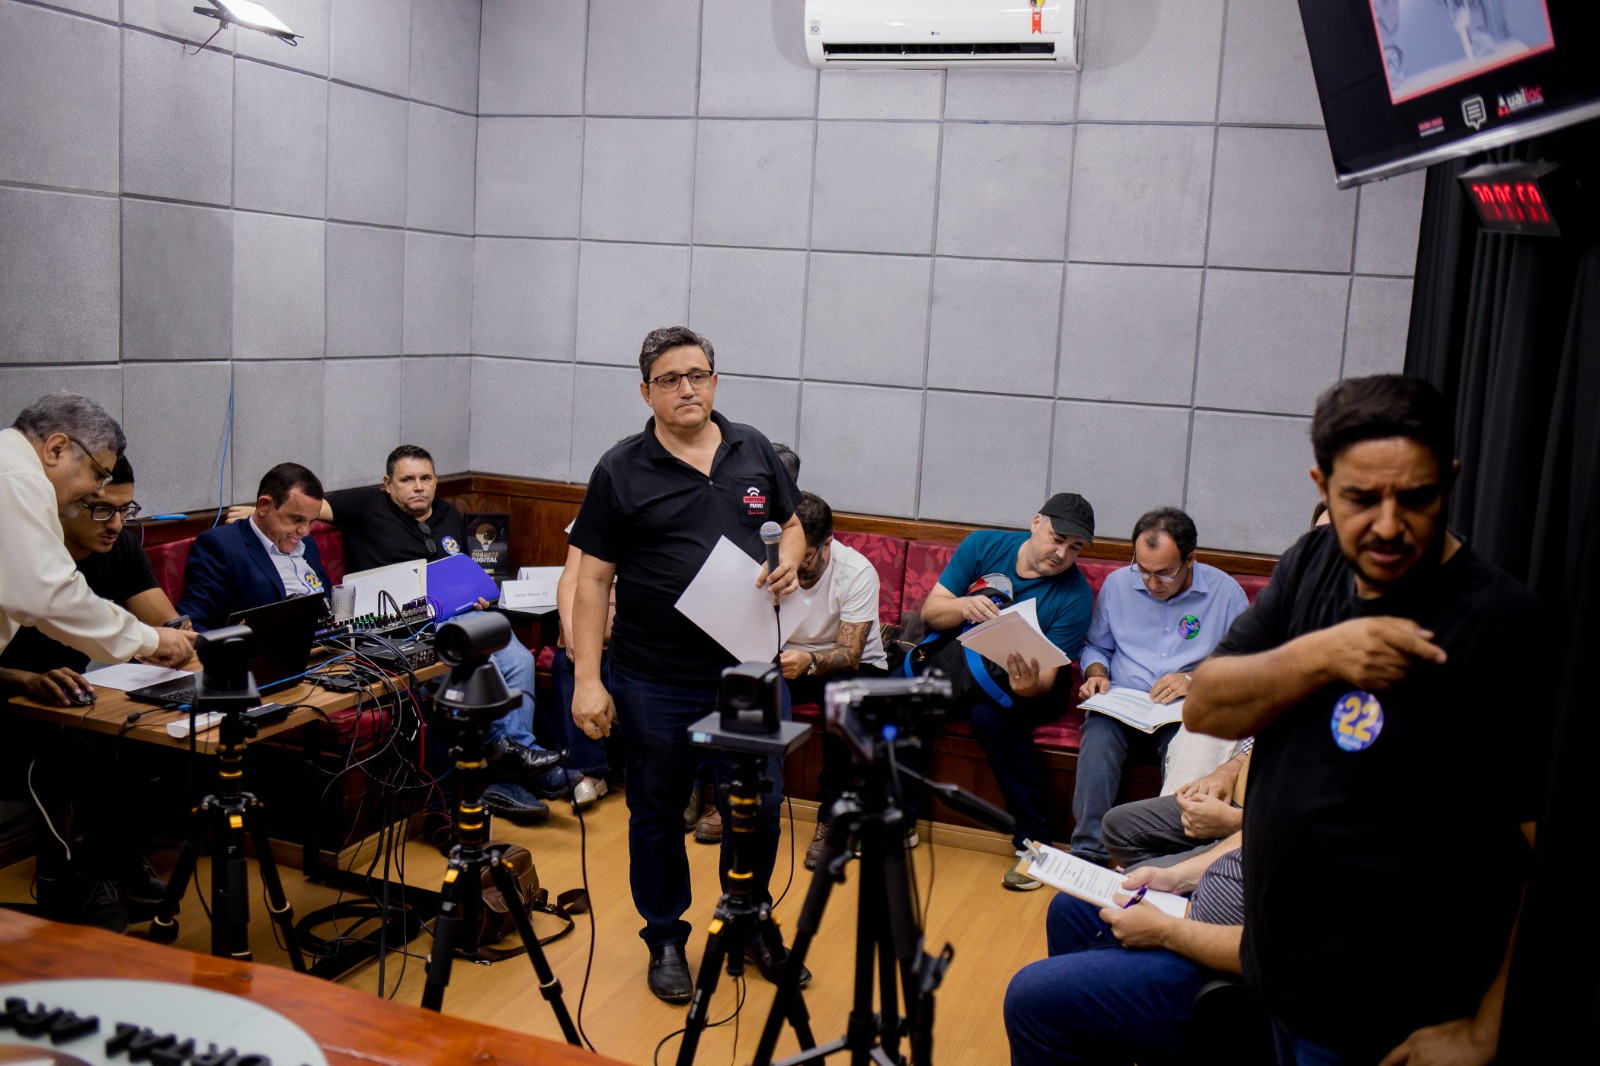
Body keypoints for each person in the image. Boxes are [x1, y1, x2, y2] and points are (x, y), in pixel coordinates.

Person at [1185, 374, 1544, 1064]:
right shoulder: (1312, 562)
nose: (1387, 525)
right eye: (1360, 498)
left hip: (1385, 1021)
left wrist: (1487, 1032)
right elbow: (1206, 704)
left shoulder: (1501, 625)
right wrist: (1323, 654)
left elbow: (1545, 851)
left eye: (1415, 497)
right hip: (1278, 982)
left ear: (1450, 481)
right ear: (1322, 486)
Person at [568, 325, 807, 1003]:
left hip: (748, 670)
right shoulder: (620, 469)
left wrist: (789, 559)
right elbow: (592, 580)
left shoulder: (753, 448)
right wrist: (587, 679)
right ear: (646, 392)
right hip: (654, 675)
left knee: (759, 806)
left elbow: (791, 526)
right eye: (670, 379)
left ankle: (749, 920)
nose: (686, 389)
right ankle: (665, 937)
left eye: (697, 375)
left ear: (715, 381)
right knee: (657, 810)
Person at [0, 455, 178, 932]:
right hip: (12, 711)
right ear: (64, 504)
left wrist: (182, 640)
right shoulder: (20, 555)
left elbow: (166, 622)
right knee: (70, 759)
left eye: (125, 509)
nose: (116, 523)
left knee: (139, 742)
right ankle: (80, 881)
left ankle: (116, 864)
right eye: (102, 510)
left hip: (76, 707)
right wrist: (23, 679)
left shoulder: (119, 547)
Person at [920, 493, 1096, 889]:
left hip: (1036, 676)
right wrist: (964, 607)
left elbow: (1047, 680)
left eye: (1075, 548)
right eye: (1057, 538)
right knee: (904, 697)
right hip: (967, 658)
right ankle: (897, 816)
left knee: (992, 717)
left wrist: (1027, 687)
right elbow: (932, 611)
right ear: (1035, 523)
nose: (1062, 554)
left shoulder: (1076, 595)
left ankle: (1035, 842)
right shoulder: (983, 545)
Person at [1071, 508, 1250, 868]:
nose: (1152, 584)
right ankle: (1087, 854)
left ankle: (1162, 860)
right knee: (1098, 736)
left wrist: (1193, 679)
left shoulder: (1224, 592)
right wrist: (1096, 672)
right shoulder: (1118, 585)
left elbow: (1247, 663)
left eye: (1164, 573)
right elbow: (1097, 647)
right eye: (1143, 570)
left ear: (1190, 559)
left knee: (1190, 751)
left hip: (1184, 711)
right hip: (1122, 703)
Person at [1004, 832, 1245, 1064]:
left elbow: (1264, 951)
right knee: (1070, 908)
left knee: (1032, 998)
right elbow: (1249, 837)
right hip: (1197, 911)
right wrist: (1174, 877)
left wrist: (1166, 931)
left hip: (1230, 969)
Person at [0, 394, 193, 668]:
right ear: (56, 449)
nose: (98, 491)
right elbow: (52, 598)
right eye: (99, 474)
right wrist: (150, 640)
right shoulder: (20, 478)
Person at [777, 492, 892, 869]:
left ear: (827, 543)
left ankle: (833, 818)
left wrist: (809, 661)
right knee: (745, 688)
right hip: (789, 658)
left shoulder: (856, 571)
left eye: (806, 556)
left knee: (844, 699)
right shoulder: (774, 560)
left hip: (852, 667)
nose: (795, 565)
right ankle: (747, 801)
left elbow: (850, 654)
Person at [179, 462, 333, 630]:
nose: (305, 531)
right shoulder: (222, 547)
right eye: (297, 519)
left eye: (312, 521)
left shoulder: (306, 543)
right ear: (264, 506)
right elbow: (194, 623)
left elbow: (329, 600)